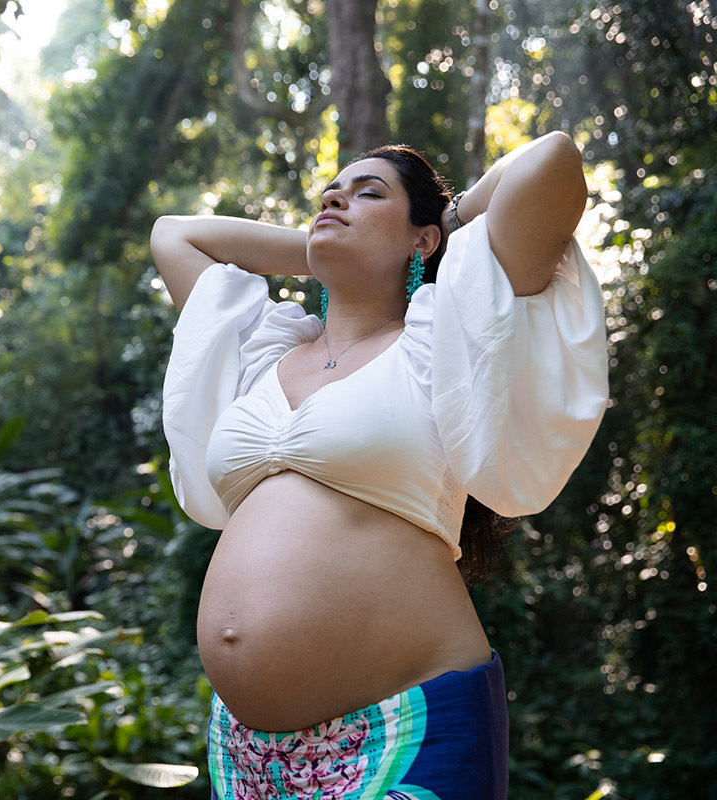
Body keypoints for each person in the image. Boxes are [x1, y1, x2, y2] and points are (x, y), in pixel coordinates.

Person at [150, 131, 608, 799]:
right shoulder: (261, 352)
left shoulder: (444, 338)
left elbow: (554, 162)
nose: (336, 197)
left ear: (423, 240)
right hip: (248, 755)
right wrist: (328, 246)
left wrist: (447, 223)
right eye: (329, 193)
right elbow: (175, 236)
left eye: (369, 193)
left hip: (410, 728)